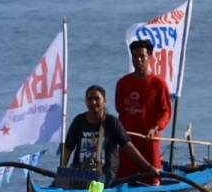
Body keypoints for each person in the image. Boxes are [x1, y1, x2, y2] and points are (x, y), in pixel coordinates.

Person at [61, 85, 158, 183]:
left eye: (97, 98)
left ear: (104, 101)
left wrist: (149, 167)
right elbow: (68, 148)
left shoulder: (112, 122)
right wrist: (62, 169)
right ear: (86, 102)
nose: (93, 102)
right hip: (80, 173)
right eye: (90, 99)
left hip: (104, 176)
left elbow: (128, 147)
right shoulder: (78, 121)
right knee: (62, 181)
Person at [114, 39, 172, 183]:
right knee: (122, 179)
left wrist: (156, 127)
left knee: (153, 176)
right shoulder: (123, 83)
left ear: (150, 57)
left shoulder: (159, 84)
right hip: (128, 142)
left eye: (142, 56)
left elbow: (166, 112)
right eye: (135, 56)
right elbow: (120, 109)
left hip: (149, 141)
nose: (138, 60)